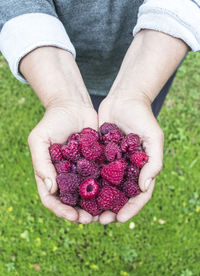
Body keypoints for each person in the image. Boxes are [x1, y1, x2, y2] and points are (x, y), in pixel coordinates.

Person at [0, 0, 199, 225]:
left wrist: (137, 93)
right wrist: (61, 100)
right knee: (87, 114)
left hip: (153, 62)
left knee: (141, 114)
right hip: (63, 59)